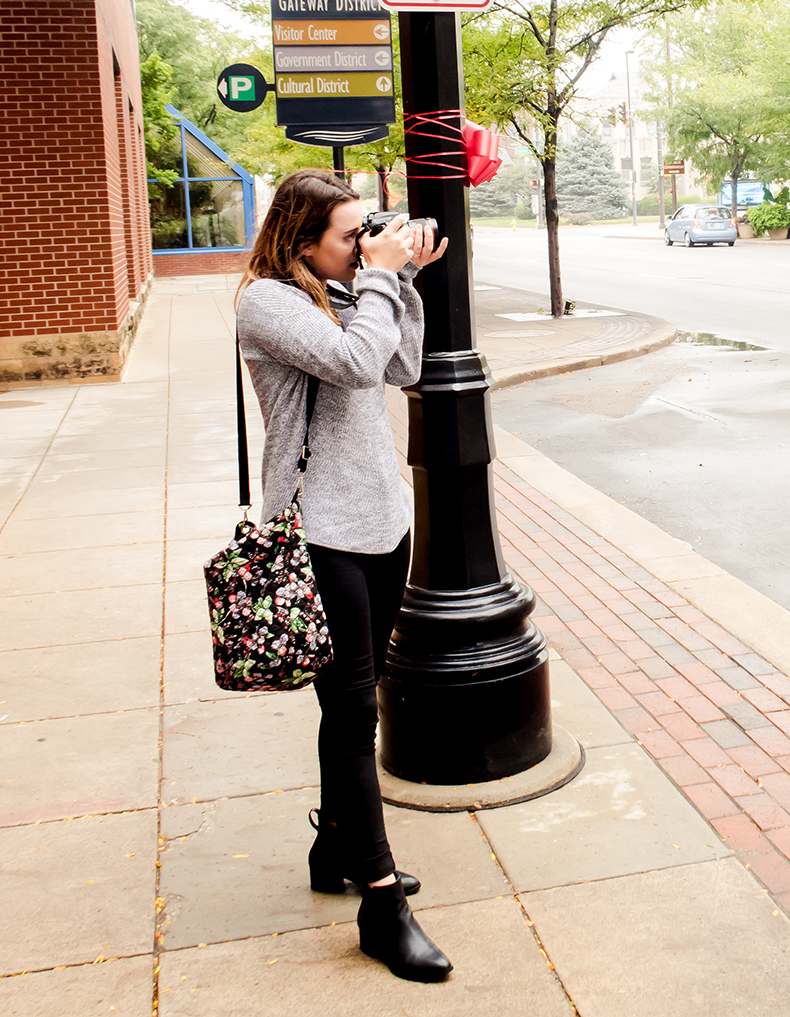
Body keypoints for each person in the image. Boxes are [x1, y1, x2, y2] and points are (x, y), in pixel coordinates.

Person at [235, 170, 456, 983]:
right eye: (349, 235)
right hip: (320, 532)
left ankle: (335, 845)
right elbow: (358, 363)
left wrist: (402, 281)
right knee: (354, 707)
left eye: (370, 229)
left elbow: (401, 365)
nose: (364, 244)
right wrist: (381, 277)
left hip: (380, 521)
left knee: (352, 701)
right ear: (301, 243)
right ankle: (381, 899)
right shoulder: (269, 303)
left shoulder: (343, 286)